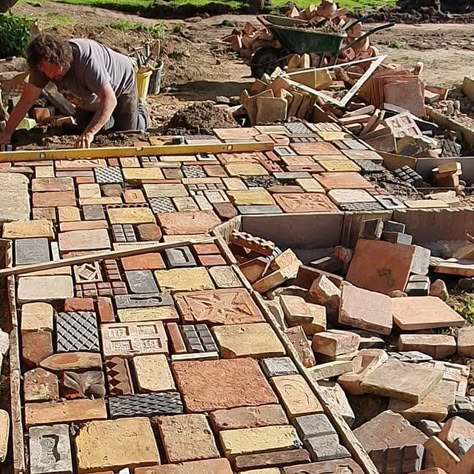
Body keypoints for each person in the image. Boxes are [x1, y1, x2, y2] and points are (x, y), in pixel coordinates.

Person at [0, 33, 148, 148]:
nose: (49, 76)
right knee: (86, 129)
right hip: (90, 96)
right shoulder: (42, 68)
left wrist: (89, 134)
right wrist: (7, 133)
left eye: (53, 70)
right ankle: (105, 118)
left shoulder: (87, 61)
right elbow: (26, 100)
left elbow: (110, 99)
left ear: (61, 59)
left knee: (127, 132)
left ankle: (141, 110)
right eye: (45, 72)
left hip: (120, 85)